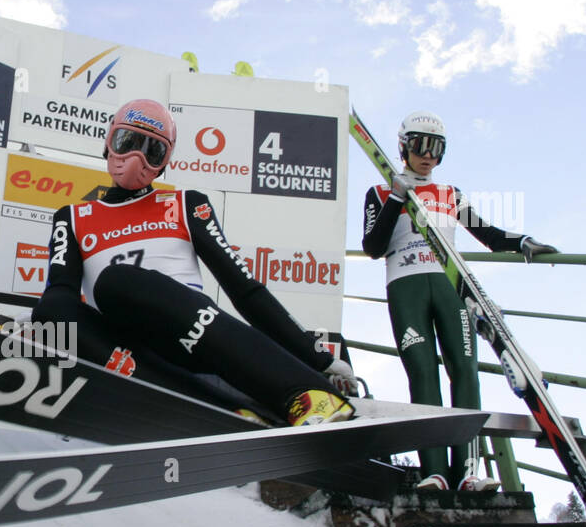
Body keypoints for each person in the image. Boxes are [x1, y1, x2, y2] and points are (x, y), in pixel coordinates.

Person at [32, 99, 357, 427]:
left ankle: (305, 393)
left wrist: (318, 358)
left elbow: (243, 287)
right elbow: (60, 293)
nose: (136, 158)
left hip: (186, 337)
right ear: (109, 142)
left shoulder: (184, 204)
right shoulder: (73, 217)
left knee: (117, 281)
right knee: (53, 311)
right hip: (121, 346)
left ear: (164, 162)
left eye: (152, 151)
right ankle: (226, 412)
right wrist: (39, 328)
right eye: (127, 143)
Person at [362, 110, 558, 491]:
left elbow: (489, 235)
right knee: (422, 373)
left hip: (451, 286)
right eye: (420, 145)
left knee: (465, 370)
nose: (428, 155)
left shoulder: (450, 194)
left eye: (437, 148)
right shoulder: (380, 191)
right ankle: (434, 470)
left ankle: (468, 470)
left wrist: (522, 243)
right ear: (403, 147)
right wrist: (397, 199)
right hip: (406, 286)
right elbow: (373, 247)